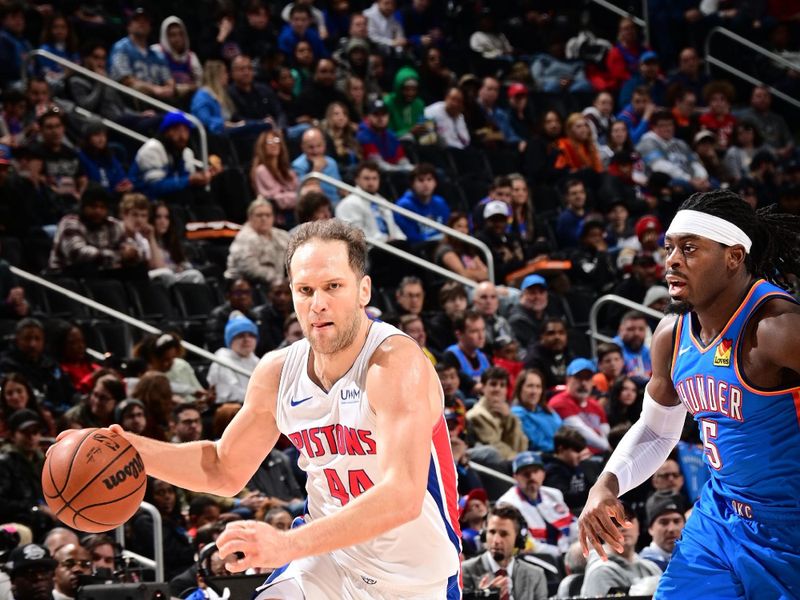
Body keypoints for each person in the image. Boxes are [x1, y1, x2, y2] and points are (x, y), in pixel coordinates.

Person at [54, 219, 462, 598]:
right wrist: (131, 450)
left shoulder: (394, 363)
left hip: (416, 576)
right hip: (328, 561)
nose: (317, 303)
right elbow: (222, 467)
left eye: (333, 286)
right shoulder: (277, 372)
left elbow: (402, 495)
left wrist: (286, 543)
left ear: (364, 291)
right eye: (305, 290)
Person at [579, 189, 800, 598]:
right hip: (717, 520)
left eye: (690, 248)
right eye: (669, 248)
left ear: (734, 257)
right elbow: (658, 431)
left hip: (790, 530)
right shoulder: (671, 333)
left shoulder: (778, 329)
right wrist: (606, 484)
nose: (672, 260)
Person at [497, 451, 577, 558]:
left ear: (543, 473)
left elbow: (572, 524)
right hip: (540, 557)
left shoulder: (554, 494)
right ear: (515, 477)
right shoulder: (508, 504)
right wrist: (560, 553)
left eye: (535, 471)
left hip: (568, 550)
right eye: (525, 473)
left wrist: (577, 545)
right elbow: (526, 543)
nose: (531, 477)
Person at [461, 503, 549, 600]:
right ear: (484, 534)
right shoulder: (464, 571)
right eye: (492, 532)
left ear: (518, 539)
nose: (496, 540)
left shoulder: (536, 575)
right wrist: (481, 597)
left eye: (504, 534)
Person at [580, 502, 661, 597]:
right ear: (601, 531)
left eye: (627, 519)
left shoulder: (651, 567)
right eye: (613, 522)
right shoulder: (600, 572)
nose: (623, 527)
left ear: (638, 526)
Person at [109, 7, 175, 101]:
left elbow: (168, 79)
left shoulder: (157, 55)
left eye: (145, 21)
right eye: (137, 20)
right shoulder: (121, 47)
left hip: (158, 97)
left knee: (182, 90)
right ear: (129, 26)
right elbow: (125, 79)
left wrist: (170, 88)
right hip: (130, 97)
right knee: (138, 87)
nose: (142, 23)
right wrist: (154, 89)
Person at [465, 366, 528, 460]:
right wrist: (520, 460)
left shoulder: (508, 412)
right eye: (493, 384)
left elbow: (522, 445)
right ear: (483, 387)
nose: (498, 389)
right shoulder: (476, 415)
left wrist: (509, 418)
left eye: (502, 385)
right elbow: (496, 448)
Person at [548, 359, 610, 454]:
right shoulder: (559, 402)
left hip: (599, 455)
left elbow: (606, 433)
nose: (583, 383)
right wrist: (608, 448)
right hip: (577, 456)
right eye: (579, 378)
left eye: (588, 379)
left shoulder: (596, 405)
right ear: (568, 379)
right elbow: (580, 430)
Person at [224, 197, 290, 285]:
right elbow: (250, 269)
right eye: (259, 215)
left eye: (268, 215)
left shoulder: (281, 235)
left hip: (275, 283)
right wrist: (278, 280)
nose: (264, 218)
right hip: (244, 286)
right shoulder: (245, 237)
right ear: (250, 217)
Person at [334, 162, 405, 242]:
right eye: (366, 178)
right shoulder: (348, 204)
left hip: (391, 246)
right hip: (369, 249)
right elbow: (355, 236)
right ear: (357, 180)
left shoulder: (382, 201)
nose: (371, 183)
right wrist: (385, 240)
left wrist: (401, 239)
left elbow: (393, 227)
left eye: (374, 178)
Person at [207, 312, 261, 404]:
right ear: (230, 340)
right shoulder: (221, 362)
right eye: (240, 336)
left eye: (251, 335)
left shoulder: (256, 360)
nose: (246, 339)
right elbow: (231, 395)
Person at [394, 163, 450, 244]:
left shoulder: (440, 202)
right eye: (421, 180)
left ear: (435, 183)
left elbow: (448, 226)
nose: (426, 184)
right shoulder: (403, 205)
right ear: (412, 184)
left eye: (429, 179)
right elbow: (411, 237)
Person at [251, 129, 300, 222]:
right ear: (263, 147)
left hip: (295, 211)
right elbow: (276, 199)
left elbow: (297, 189)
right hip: (280, 216)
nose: (274, 144)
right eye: (269, 142)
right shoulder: (261, 170)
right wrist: (297, 198)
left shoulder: (288, 171)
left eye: (276, 140)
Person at [511, 369, 562, 452]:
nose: (534, 391)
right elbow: (538, 443)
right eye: (530, 386)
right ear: (520, 389)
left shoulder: (547, 410)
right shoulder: (517, 414)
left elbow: (563, 430)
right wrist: (563, 450)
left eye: (538, 387)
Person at [639, 491, 686, 572]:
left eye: (676, 521)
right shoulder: (641, 566)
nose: (671, 529)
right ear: (650, 529)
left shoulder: (697, 560)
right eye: (664, 522)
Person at [612, 311, 652, 384]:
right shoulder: (613, 350)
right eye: (631, 329)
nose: (637, 333)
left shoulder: (646, 351)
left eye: (641, 329)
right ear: (620, 330)